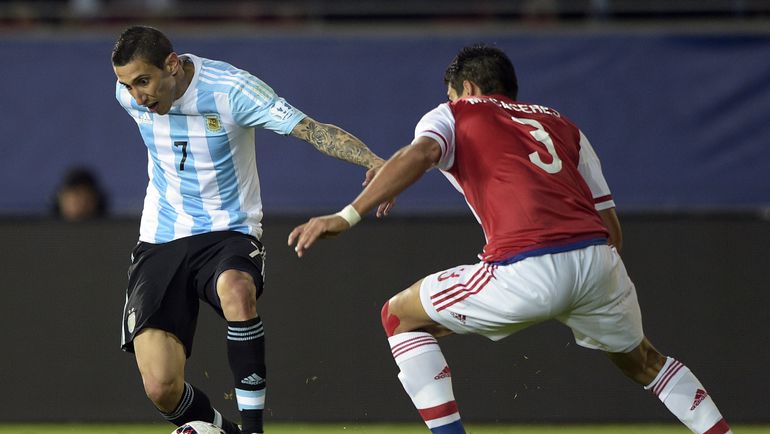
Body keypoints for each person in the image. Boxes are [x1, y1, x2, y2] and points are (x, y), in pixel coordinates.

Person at [288, 44, 731, 434]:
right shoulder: (565, 127)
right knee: (646, 362)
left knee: (399, 317)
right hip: (599, 262)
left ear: (466, 88)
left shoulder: (457, 113)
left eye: (450, 94)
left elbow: (423, 152)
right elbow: (611, 229)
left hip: (527, 265)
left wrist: (346, 215)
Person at [111, 25, 389, 434]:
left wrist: (378, 164)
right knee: (161, 388)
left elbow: (311, 129)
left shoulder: (231, 89)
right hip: (160, 237)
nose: (137, 97)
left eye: (143, 81)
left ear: (171, 64)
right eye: (127, 85)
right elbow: (137, 96)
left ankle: (254, 430)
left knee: (236, 291)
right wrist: (135, 87)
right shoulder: (129, 98)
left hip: (228, 231)